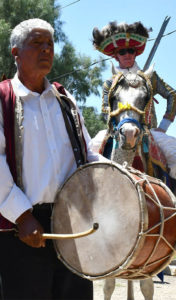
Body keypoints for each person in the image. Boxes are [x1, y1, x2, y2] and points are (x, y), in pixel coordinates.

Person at [0, 18, 107, 300]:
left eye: (50, 44)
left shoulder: (64, 98)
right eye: (37, 43)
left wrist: (116, 178)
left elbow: (87, 153)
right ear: (16, 52)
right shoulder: (3, 98)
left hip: (72, 226)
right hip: (19, 230)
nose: (46, 49)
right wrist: (23, 217)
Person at [92, 21, 176, 179]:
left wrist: (164, 126)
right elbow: (105, 111)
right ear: (116, 55)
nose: (128, 55)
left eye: (131, 50)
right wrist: (118, 125)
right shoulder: (110, 84)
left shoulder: (150, 78)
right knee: (88, 154)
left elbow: (172, 95)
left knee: (175, 155)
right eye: (123, 52)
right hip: (118, 131)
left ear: (136, 53)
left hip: (150, 132)